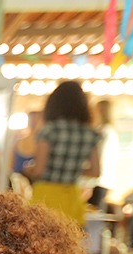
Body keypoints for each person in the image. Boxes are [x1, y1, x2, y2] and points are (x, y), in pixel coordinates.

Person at [25, 80, 100, 226]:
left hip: (46, 195)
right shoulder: (90, 133)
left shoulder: (49, 130)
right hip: (72, 196)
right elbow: (95, 171)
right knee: (69, 243)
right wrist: (72, 168)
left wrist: (29, 170)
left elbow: (39, 170)